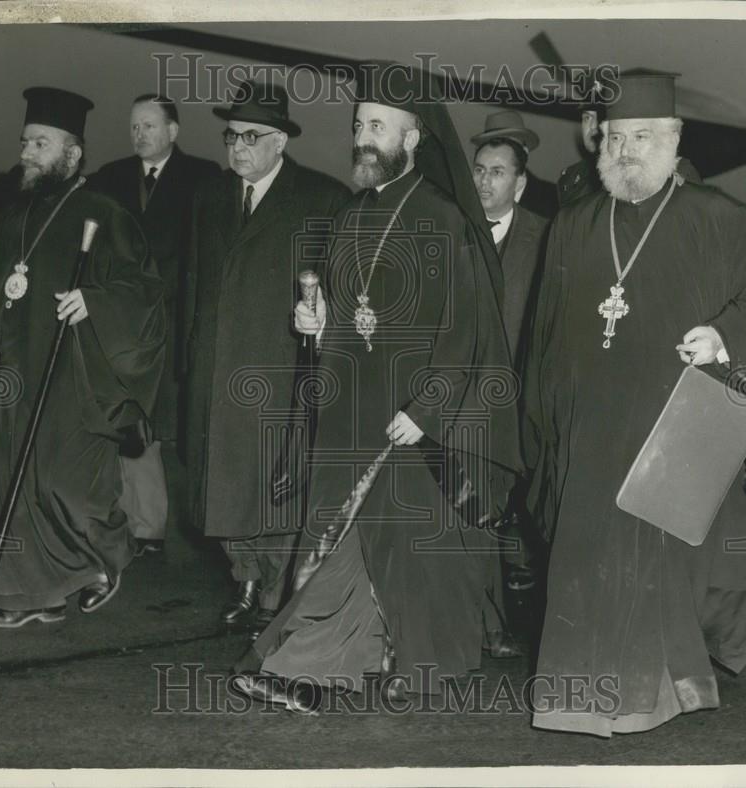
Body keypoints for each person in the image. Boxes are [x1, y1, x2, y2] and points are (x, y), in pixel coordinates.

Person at [233, 62, 521, 711]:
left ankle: (310, 667)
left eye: (379, 126)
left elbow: (468, 331)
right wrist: (316, 322)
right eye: (360, 123)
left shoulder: (444, 219)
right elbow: (347, 312)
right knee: (352, 542)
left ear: (413, 138)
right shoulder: (352, 211)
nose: (365, 136)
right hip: (351, 410)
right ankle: (353, 660)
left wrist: (429, 409)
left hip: (412, 416)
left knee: (381, 546)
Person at [521, 72, 746, 736]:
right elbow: (545, 335)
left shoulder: (716, 218)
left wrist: (724, 336)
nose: (626, 150)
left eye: (643, 136)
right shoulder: (574, 225)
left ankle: (652, 693)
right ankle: (578, 695)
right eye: (615, 137)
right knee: (586, 555)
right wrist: (547, 422)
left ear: (674, 140)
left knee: (655, 562)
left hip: (671, 421)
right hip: (587, 428)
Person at [0, 86, 166, 628]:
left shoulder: (105, 214)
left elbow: (143, 293)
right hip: (9, 375)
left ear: (71, 153)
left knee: (66, 488)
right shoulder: (11, 217)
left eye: (39, 144)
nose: (25, 153)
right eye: (25, 142)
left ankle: (108, 558)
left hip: (74, 377)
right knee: (8, 484)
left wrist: (94, 301)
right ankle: (31, 597)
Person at [183, 82, 350, 640]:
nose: (237, 147)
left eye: (251, 137)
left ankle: (274, 591)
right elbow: (192, 283)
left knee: (276, 480)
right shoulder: (209, 198)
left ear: (279, 141)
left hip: (282, 370)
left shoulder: (323, 199)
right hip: (219, 365)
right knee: (228, 482)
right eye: (232, 136)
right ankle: (246, 580)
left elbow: (342, 288)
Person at [90, 95, 221, 556]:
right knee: (130, 419)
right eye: (134, 127)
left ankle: (176, 523)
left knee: (169, 424)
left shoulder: (205, 179)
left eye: (149, 126)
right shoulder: (108, 178)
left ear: (173, 131)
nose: (139, 135)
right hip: (122, 322)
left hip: (174, 320)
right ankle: (141, 526)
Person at [470, 121, 550, 649]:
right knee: (471, 511)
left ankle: (511, 618)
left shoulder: (546, 238)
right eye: (479, 170)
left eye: (497, 173)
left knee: (516, 513)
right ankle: (486, 624)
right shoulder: (454, 230)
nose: (484, 182)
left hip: (521, 401)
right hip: (461, 400)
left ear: (519, 185)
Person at [557, 70, 702, 208]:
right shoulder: (574, 177)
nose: (592, 127)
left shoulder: (670, 171)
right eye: (587, 118)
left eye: (599, 118)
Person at [470, 109, 557, 220]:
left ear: (525, 151)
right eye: (493, 144)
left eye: (510, 145)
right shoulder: (467, 201)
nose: (500, 151)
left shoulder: (555, 201)